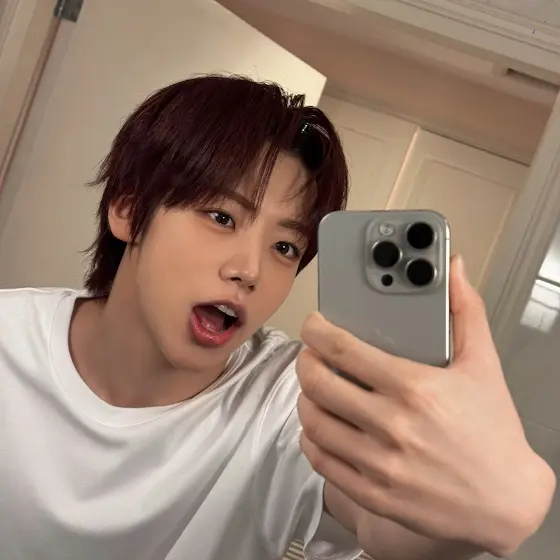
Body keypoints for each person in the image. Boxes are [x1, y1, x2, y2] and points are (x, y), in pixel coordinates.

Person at [0, 75, 554, 560]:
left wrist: (477, 511)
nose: (250, 270)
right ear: (127, 209)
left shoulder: (293, 397)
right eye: (221, 216)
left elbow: (385, 524)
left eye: (285, 247)